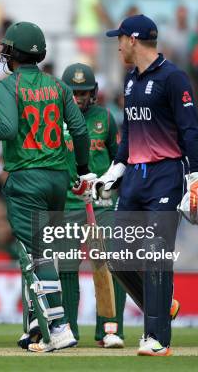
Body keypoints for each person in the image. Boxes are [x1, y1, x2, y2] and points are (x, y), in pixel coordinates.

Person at [0, 22, 93, 352]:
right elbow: (80, 131)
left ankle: (59, 326)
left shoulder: (8, 86)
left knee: (35, 256)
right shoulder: (58, 86)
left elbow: (7, 129)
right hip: (57, 180)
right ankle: (38, 323)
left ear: (14, 52)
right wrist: (82, 169)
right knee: (43, 253)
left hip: (27, 177)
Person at [99, 14, 198, 356]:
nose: (117, 44)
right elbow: (130, 132)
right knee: (116, 254)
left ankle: (157, 338)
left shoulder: (174, 78)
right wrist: (114, 170)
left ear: (133, 39)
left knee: (155, 255)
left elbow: (191, 130)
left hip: (165, 173)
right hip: (135, 177)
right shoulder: (131, 80)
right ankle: (162, 305)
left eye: (119, 38)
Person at [59, 62, 127, 348]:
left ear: (94, 92)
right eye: (73, 93)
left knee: (109, 264)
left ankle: (110, 329)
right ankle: (69, 331)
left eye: (84, 93)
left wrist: (110, 189)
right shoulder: (52, 119)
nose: (78, 98)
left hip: (101, 205)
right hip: (66, 204)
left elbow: (119, 159)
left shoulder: (106, 118)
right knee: (65, 268)